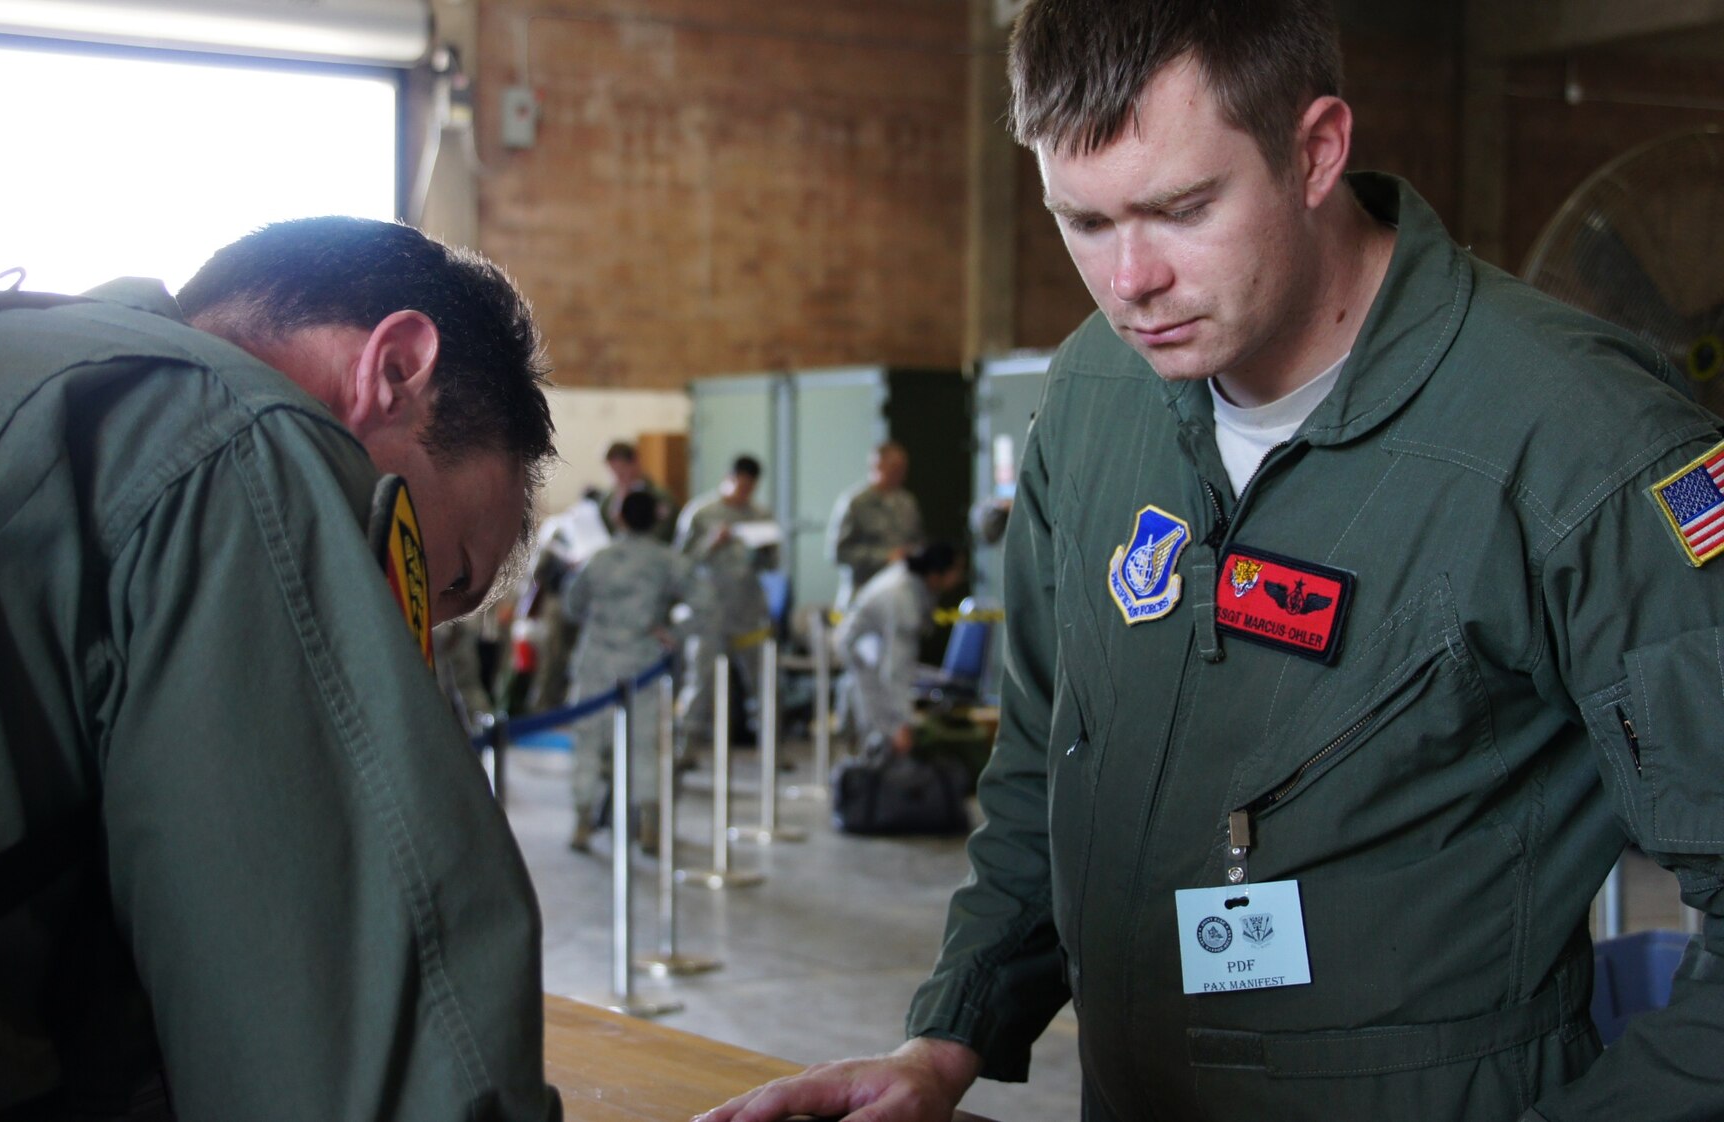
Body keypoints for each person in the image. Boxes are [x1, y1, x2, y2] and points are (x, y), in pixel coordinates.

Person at [703, 2, 1724, 1120]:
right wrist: (944, 1039)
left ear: (1314, 150)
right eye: (1081, 221)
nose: (1129, 278)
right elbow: (1044, 762)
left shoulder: (1581, 441)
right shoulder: (1095, 400)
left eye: (1181, 209)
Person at [0, 218, 563, 1120]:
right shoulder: (241, 447)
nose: (414, 639)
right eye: (441, 578)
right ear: (396, 370)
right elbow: (374, 1072)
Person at [564, 490, 700, 854]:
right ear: (656, 520)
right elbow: (706, 603)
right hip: (643, 661)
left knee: (588, 742)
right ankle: (650, 826)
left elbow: (573, 605)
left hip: (596, 662)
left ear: (619, 519)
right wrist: (674, 633)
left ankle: (582, 821)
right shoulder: (669, 560)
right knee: (645, 744)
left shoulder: (599, 560)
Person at [673, 455, 778, 756]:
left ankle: (770, 750)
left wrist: (765, 551)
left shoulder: (760, 515)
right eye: (740, 486)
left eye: (750, 488)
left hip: (748, 611)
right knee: (700, 681)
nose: (744, 494)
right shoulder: (701, 513)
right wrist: (710, 543)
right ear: (729, 479)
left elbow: (772, 564)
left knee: (762, 683)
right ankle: (686, 749)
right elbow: (680, 564)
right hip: (709, 612)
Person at [833, 543, 964, 757]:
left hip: (870, 648)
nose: (959, 577)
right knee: (881, 725)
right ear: (935, 573)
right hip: (863, 651)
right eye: (955, 570)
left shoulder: (913, 582)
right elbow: (897, 669)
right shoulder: (902, 597)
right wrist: (903, 723)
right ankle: (873, 767)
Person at [827, 441, 924, 610]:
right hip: (863, 595)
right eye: (895, 468)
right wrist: (885, 556)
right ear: (878, 465)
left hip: (899, 594)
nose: (901, 474)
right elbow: (838, 553)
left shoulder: (907, 503)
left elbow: (917, 541)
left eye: (903, 469)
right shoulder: (855, 503)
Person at [600, 440, 678, 544]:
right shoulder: (608, 501)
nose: (618, 477)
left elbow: (668, 531)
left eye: (622, 470)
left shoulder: (660, 496)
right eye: (613, 471)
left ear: (635, 462)